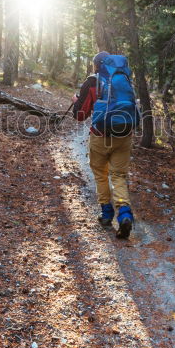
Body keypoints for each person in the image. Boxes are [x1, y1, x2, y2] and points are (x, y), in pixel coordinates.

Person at [69, 51, 138, 238]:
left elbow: (79, 115)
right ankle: (124, 214)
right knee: (119, 175)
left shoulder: (93, 81)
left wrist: (76, 101)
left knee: (101, 174)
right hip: (124, 135)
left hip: (100, 136)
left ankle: (107, 214)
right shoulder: (124, 79)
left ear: (96, 65)